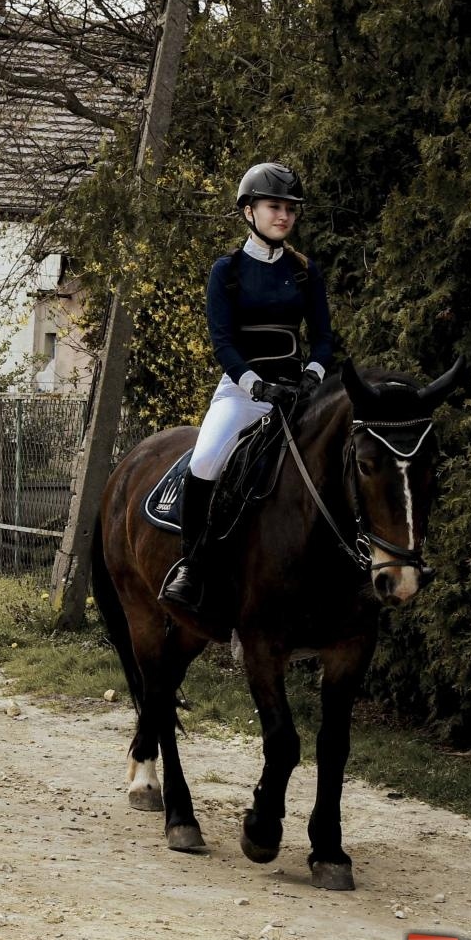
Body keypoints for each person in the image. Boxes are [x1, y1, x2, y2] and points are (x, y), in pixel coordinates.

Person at [160, 162, 335, 612]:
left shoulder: (303, 271)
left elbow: (323, 337)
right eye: (275, 207)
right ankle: (192, 566)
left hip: (297, 392)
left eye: (291, 209)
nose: (284, 216)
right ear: (248, 212)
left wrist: (313, 375)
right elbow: (223, 341)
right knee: (204, 461)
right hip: (243, 391)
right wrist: (255, 386)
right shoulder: (228, 271)